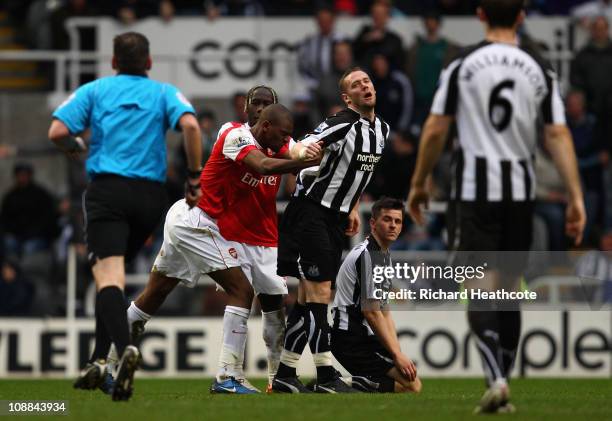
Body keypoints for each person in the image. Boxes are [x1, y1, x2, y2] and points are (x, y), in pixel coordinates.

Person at [407, 0, 585, 413]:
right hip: (521, 195)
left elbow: (436, 128)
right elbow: (557, 134)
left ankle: (497, 379)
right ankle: (502, 389)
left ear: (480, 14)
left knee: (478, 289)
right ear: (521, 16)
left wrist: (419, 183)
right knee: (507, 290)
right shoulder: (539, 68)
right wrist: (576, 195)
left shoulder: (461, 66)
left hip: (474, 192)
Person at [107, 86, 320, 393]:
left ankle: (106, 361)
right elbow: (264, 165)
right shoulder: (234, 134)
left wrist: (313, 152)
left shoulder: (280, 143)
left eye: (266, 104)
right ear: (250, 111)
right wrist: (302, 160)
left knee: (156, 292)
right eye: (255, 104)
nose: (260, 109)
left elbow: (299, 151)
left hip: (223, 228)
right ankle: (227, 376)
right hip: (200, 223)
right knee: (240, 290)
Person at [48, 32, 204, 401]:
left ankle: (123, 350)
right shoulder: (164, 92)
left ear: (113, 62)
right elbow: (192, 127)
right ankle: (98, 361)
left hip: (108, 192)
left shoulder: (96, 90)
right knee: (113, 278)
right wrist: (194, 178)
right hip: (151, 198)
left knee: (108, 277)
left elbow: (57, 131)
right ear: (149, 63)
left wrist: (74, 146)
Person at [273, 67, 390, 393]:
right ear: (346, 97)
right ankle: (326, 376)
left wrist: (351, 206)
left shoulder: (381, 129)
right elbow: (306, 144)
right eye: (356, 84)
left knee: (309, 298)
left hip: (335, 218)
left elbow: (353, 173)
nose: (364, 86)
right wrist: (301, 152)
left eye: (366, 81)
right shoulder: (342, 123)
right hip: (311, 213)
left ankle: (285, 373)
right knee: (320, 294)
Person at [331, 197, 421, 393]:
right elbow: (372, 312)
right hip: (350, 339)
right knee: (411, 386)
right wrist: (396, 354)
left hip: (361, 337)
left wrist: (396, 351)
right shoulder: (369, 255)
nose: (393, 226)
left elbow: (385, 311)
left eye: (397, 221)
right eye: (387, 219)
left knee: (412, 385)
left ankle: (345, 382)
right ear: (373, 223)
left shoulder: (382, 255)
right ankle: (340, 383)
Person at [1, 163, 59, 258]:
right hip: (16, 237)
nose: (22, 178)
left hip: (37, 237)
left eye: (25, 175)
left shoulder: (41, 195)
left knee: (29, 248)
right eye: (20, 175)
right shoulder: (10, 197)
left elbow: (48, 219)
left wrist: (34, 234)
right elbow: (5, 220)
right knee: (8, 244)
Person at [353, 1, 404, 70]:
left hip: (387, 78)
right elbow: (354, 53)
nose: (378, 17)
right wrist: (367, 39)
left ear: (387, 17)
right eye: (375, 14)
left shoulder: (394, 39)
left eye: (381, 14)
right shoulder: (364, 33)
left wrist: (382, 40)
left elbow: (398, 62)